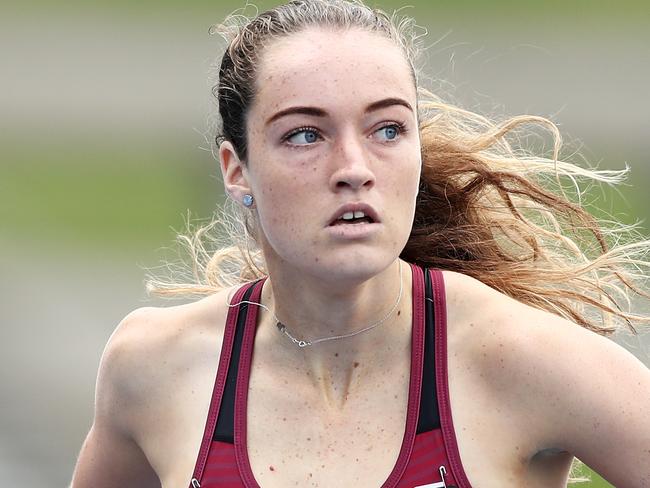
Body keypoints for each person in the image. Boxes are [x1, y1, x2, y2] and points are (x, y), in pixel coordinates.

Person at [71, 1, 650, 487]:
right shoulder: (153, 367)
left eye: (388, 129)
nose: (354, 167)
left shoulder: (521, 360)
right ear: (236, 169)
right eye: (304, 134)